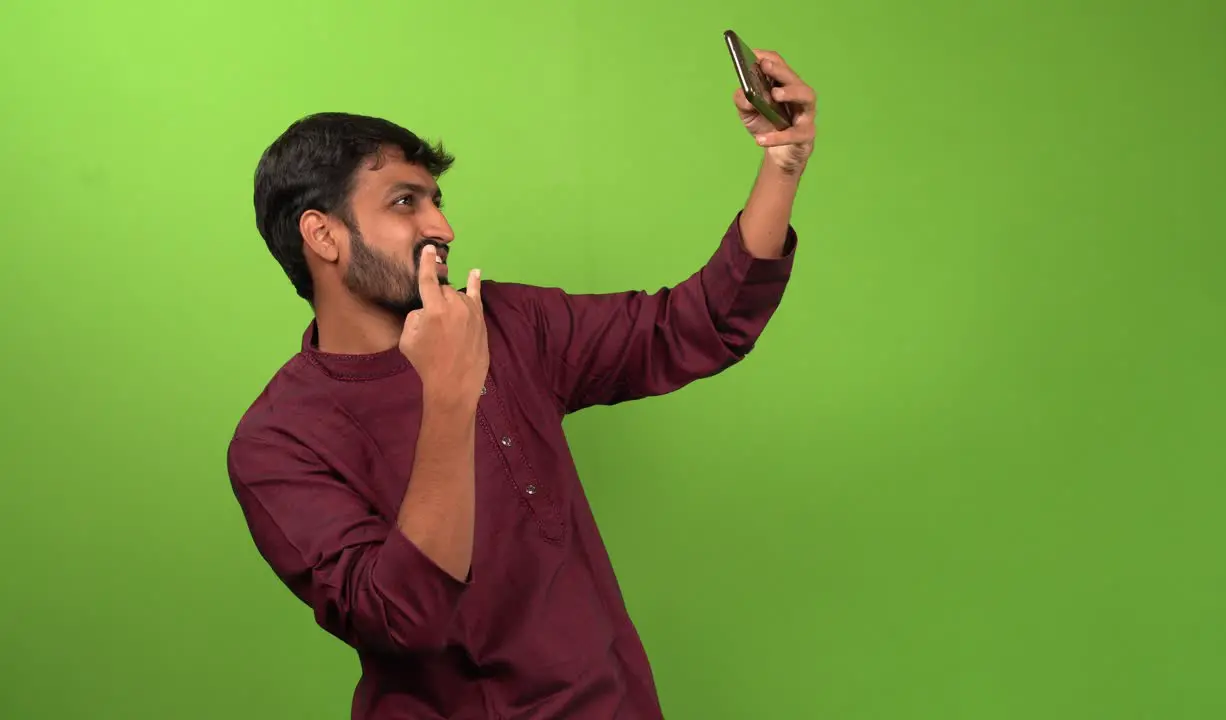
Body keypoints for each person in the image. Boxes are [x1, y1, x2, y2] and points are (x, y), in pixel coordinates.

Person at [226, 48, 817, 720]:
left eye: (437, 201)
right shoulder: (276, 442)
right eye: (404, 202)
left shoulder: (507, 321)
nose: (442, 228)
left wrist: (783, 165)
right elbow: (400, 620)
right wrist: (449, 391)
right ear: (323, 235)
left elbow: (695, 326)